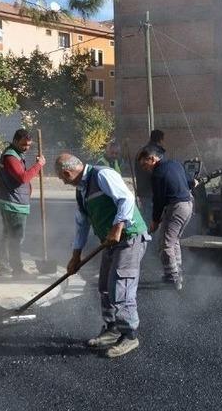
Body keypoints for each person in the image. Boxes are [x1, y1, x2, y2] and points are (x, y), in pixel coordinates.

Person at [56, 153, 149, 358]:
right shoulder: (81, 191)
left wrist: (117, 227)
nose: (63, 182)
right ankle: (112, 328)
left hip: (129, 237)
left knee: (121, 287)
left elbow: (126, 198)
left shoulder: (102, 175)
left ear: (68, 173)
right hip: (110, 242)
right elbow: (82, 224)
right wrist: (75, 256)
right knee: (105, 286)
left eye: (62, 178)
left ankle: (129, 335)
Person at [137, 145, 195, 290]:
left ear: (152, 159)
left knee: (165, 243)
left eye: (144, 164)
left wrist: (155, 221)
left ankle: (173, 277)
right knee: (174, 240)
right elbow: (191, 182)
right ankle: (177, 271)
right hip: (188, 205)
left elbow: (158, 200)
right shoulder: (175, 164)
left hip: (176, 207)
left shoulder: (157, 174)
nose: (144, 168)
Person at [0, 129, 46, 277]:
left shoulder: (16, 154)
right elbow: (23, 178)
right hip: (13, 203)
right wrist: (39, 165)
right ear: (15, 141)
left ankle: (4, 267)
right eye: (23, 145)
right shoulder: (10, 156)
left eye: (28, 145)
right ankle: (17, 270)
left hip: (11, 200)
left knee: (8, 235)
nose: (26, 148)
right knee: (16, 237)